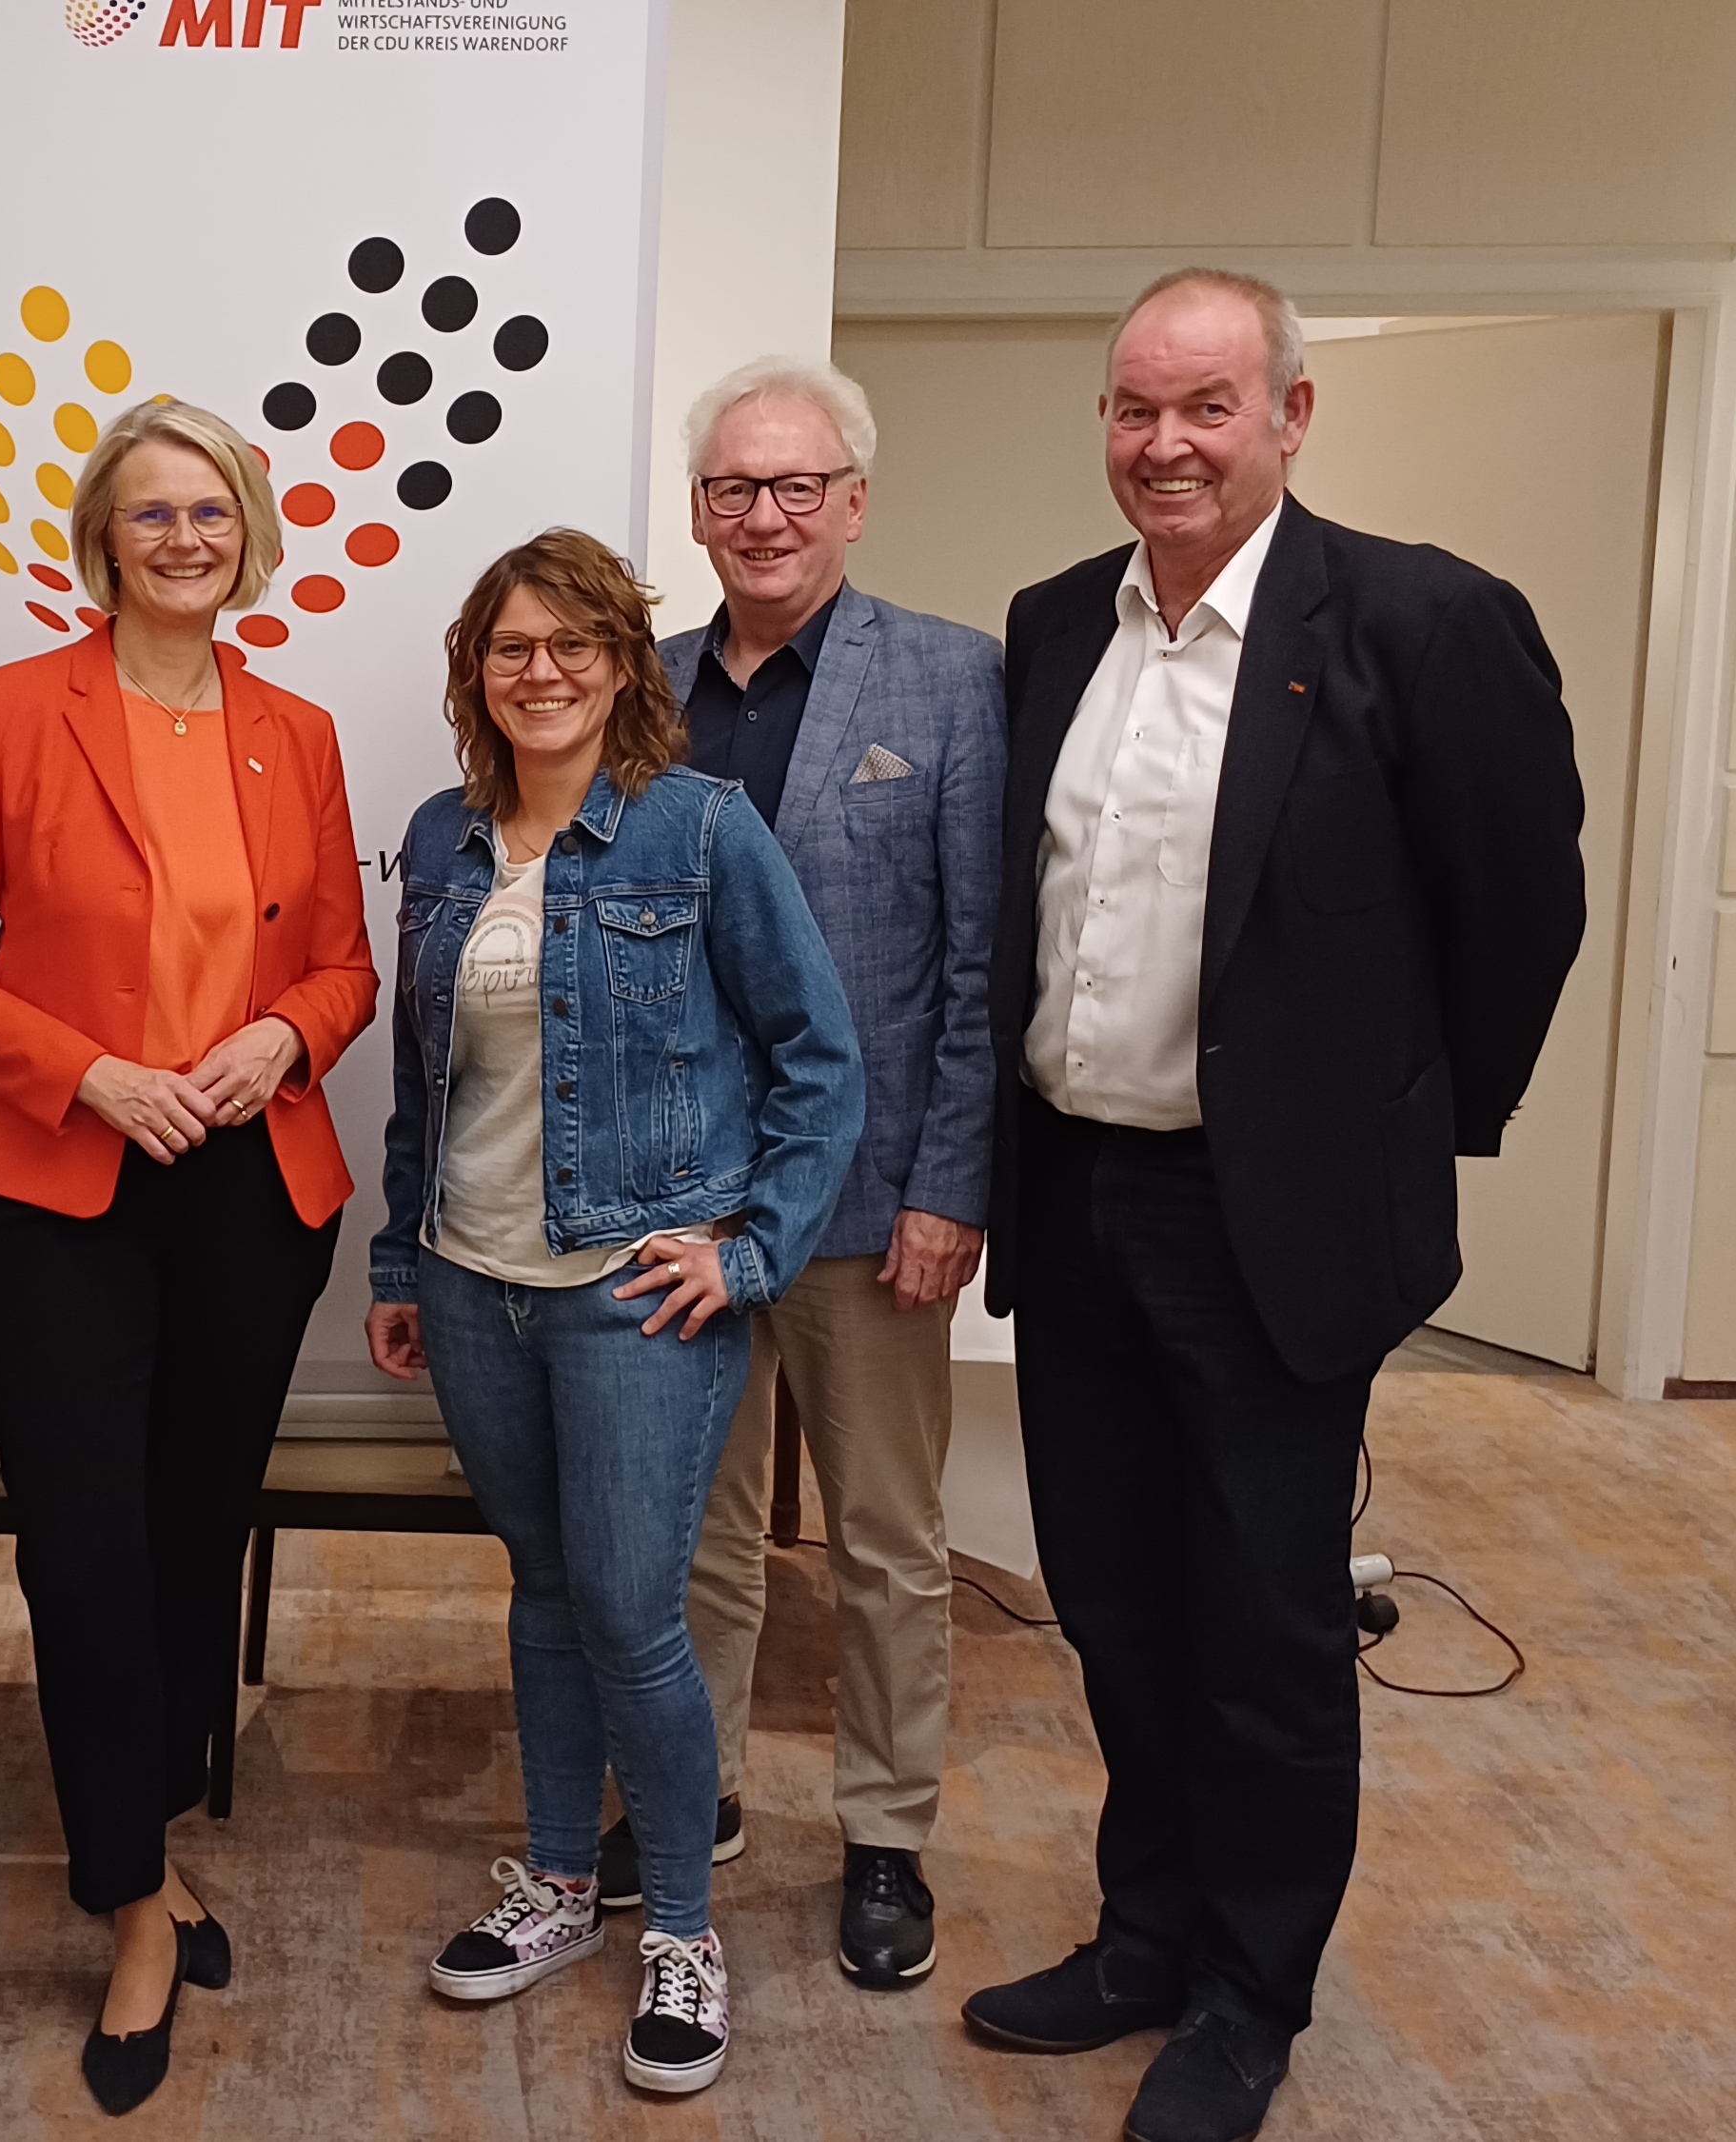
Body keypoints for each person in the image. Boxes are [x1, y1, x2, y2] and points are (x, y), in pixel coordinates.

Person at [962, 269, 1585, 2142]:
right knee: (1115, 1600)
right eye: (1135, 408)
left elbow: (1517, 918)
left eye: (1207, 407)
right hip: (1078, 1192)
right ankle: (1146, 1935)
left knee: (1267, 1627)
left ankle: (1250, 1994)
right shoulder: (1054, 624)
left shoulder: (1420, 621)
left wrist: (1394, 1139)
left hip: (1269, 1224)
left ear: (1292, 418)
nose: (1165, 444)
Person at [0, 397, 377, 2115]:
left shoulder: (297, 729)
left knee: (189, 1538)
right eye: (153, 512)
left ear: (251, 534)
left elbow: (343, 965)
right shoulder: (12, 712)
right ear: (102, 538)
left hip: (247, 1187)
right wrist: (88, 1073)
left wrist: (284, 1040)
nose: (185, 538)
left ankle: (149, 1844)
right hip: (59, 1181)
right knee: (83, 1554)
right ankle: (132, 1907)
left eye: (212, 511)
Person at [367, 529, 865, 2098]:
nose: (543, 671)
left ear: (624, 664)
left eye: (574, 643)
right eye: (512, 647)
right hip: (474, 1279)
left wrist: (752, 1250)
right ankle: (561, 1883)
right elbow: (423, 1081)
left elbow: (820, 1060)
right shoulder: (443, 837)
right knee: (540, 1587)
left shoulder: (700, 829)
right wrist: (401, 1262)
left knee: (634, 1613)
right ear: (477, 672)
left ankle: (686, 1933)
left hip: (634, 1294)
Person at [601, 359, 1001, 1985]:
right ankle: (692, 1796)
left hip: (869, 1199)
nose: (762, 516)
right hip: (681, 1200)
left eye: (795, 487)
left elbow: (978, 963)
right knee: (691, 1529)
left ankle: (887, 1832)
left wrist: (951, 1183)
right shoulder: (644, 687)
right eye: (731, 488)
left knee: (886, 1538)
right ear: (698, 510)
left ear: (853, 501)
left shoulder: (953, 680)